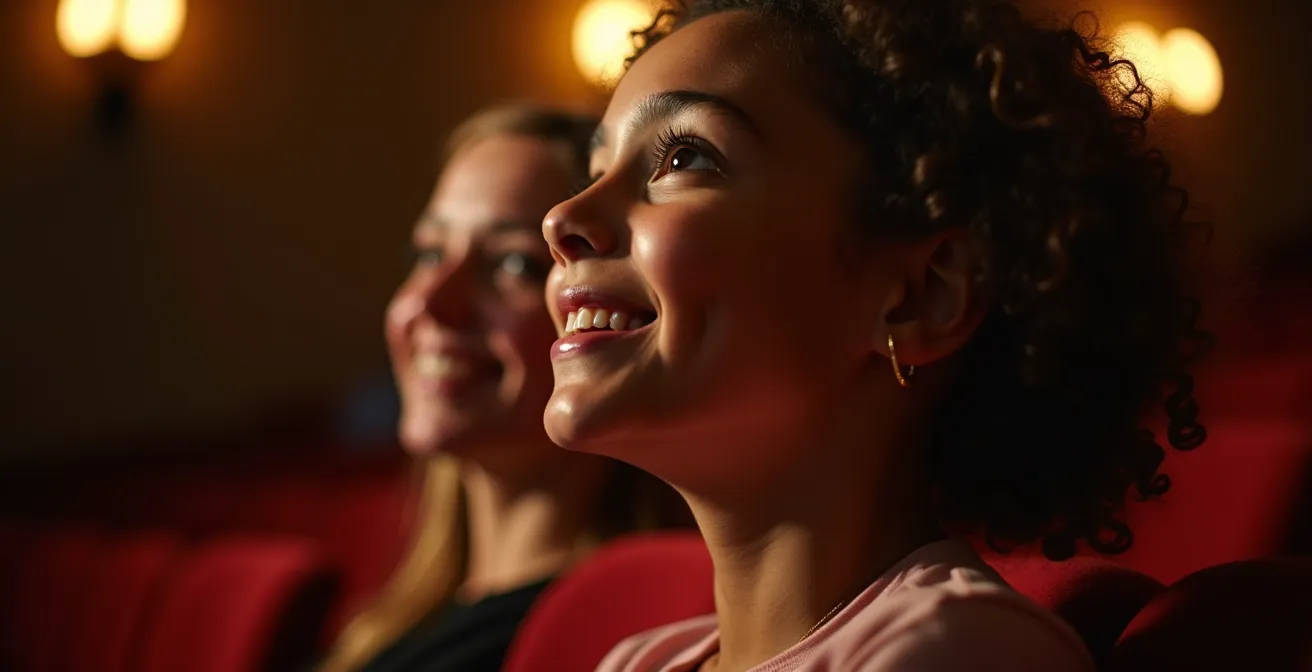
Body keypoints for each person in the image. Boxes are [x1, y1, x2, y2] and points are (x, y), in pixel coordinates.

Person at [540, 0, 1210, 670]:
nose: (562, 218)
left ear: (923, 297)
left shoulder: (958, 652)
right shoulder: (638, 661)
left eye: (685, 157)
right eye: (594, 171)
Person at [321, 105, 686, 672]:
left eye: (512, 264)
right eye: (430, 253)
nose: (429, 303)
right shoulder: (403, 615)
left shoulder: (597, 640)